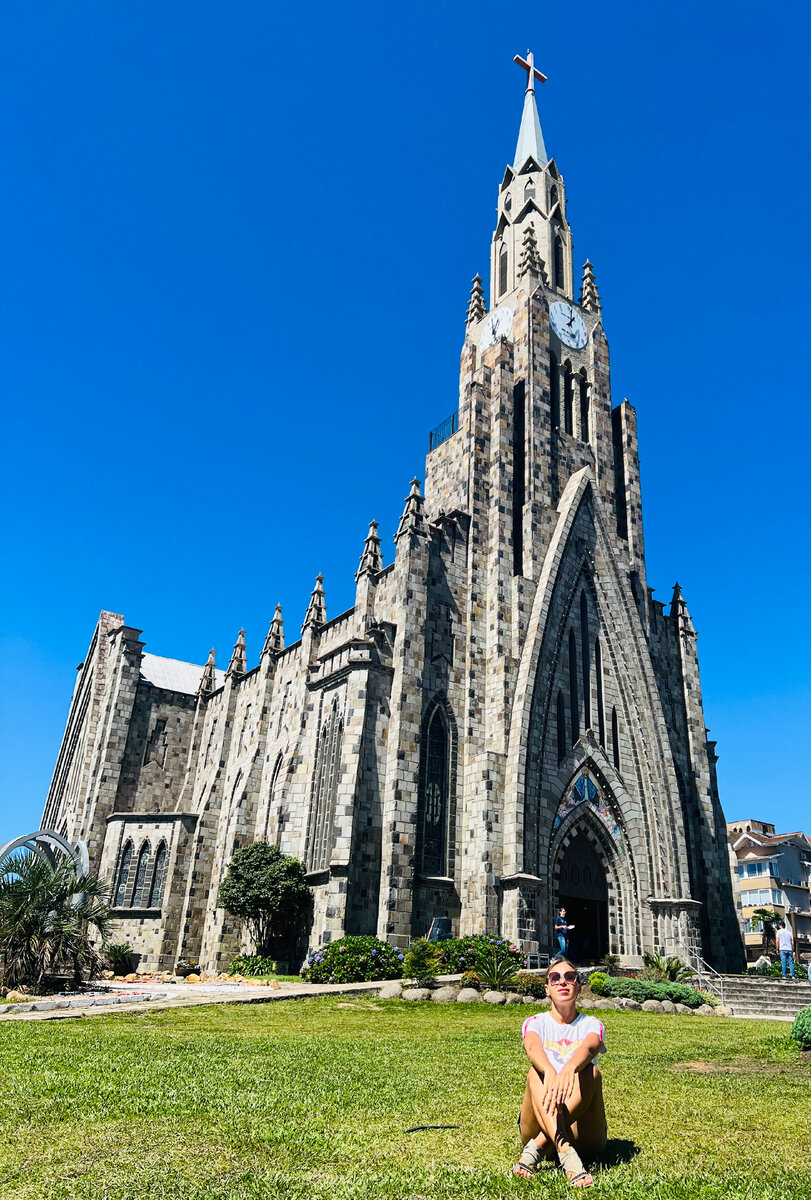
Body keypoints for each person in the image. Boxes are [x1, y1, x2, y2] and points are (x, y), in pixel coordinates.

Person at [513, 958, 607, 1188]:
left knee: (591, 1072)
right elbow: (532, 1046)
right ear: (547, 988)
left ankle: (537, 1147)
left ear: (579, 987)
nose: (562, 982)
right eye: (555, 978)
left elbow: (591, 1046)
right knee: (535, 1073)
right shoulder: (535, 1022)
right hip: (538, 1120)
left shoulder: (591, 1024)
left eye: (569, 977)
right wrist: (549, 1071)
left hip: (583, 1135)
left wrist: (569, 1069)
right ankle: (566, 1152)